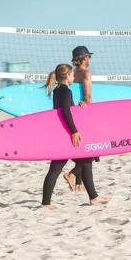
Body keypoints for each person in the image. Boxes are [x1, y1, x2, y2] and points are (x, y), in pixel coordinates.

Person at [42, 63, 108, 209]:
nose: (73, 77)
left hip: (61, 132)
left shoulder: (57, 91)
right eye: (72, 75)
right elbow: (65, 112)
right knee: (58, 168)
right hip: (67, 135)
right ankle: (46, 203)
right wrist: (74, 131)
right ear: (66, 77)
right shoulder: (66, 92)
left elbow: (63, 110)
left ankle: (93, 197)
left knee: (84, 161)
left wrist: (78, 107)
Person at [63, 46, 99, 193]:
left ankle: (78, 185)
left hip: (73, 112)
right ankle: (71, 174)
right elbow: (88, 96)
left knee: (81, 148)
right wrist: (90, 108)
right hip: (84, 112)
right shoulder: (86, 73)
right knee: (91, 150)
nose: (89, 59)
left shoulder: (72, 73)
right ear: (84, 58)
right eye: (88, 56)